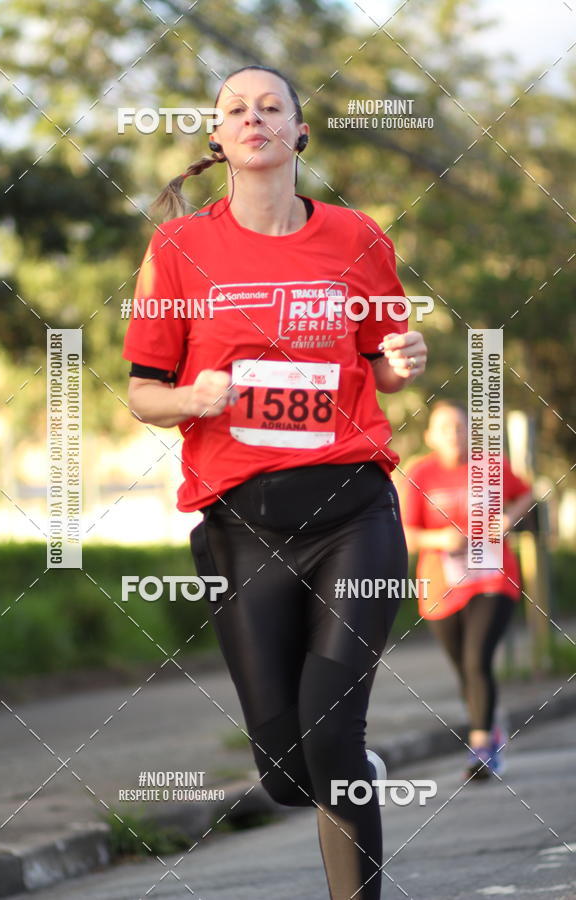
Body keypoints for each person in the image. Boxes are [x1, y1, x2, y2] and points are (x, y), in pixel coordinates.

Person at [123, 64, 427, 899]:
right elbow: (142, 392)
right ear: (218, 139)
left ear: (299, 133)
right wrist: (194, 396)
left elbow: (387, 363)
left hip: (353, 511)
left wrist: (404, 359)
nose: (253, 118)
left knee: (333, 739)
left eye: (272, 107)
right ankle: (339, 769)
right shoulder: (178, 250)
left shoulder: (358, 239)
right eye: (235, 109)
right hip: (241, 528)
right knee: (289, 774)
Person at [402, 401, 533, 780]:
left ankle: (482, 748)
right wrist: (439, 537)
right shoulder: (420, 474)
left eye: (459, 426)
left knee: (477, 661)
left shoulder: (490, 465)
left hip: (493, 577)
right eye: (443, 427)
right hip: (443, 585)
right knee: (465, 669)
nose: (452, 433)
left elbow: (526, 494)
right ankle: (489, 726)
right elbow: (407, 534)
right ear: (429, 435)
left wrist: (509, 516)